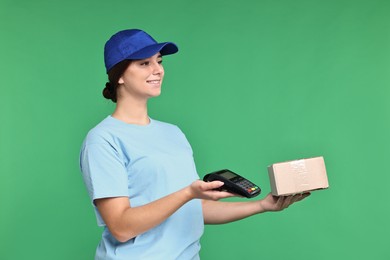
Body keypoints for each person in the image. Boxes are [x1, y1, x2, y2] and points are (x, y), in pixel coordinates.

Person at [79, 29, 310, 260]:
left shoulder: (173, 133)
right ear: (119, 75)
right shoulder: (103, 139)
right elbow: (121, 227)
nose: (158, 70)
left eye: (159, 61)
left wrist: (262, 205)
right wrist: (188, 193)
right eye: (144, 63)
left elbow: (193, 211)